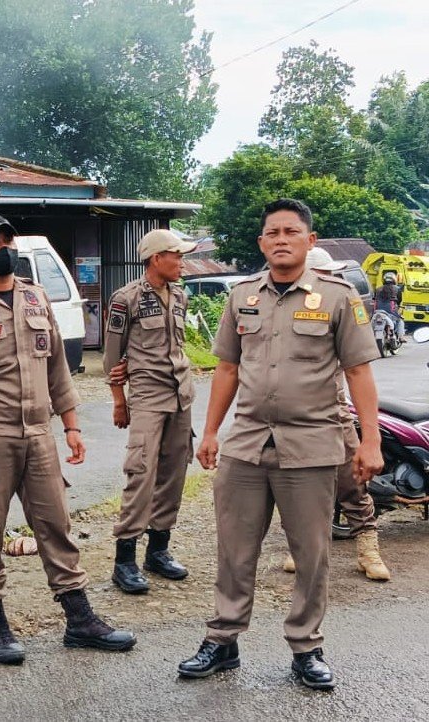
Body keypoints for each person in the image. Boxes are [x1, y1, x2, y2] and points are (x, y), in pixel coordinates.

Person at [179, 199, 382, 691]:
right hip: (247, 443)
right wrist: (210, 433)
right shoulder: (242, 295)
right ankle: (223, 640)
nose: (282, 239)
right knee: (235, 548)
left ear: (310, 242)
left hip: (312, 446)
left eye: (292, 231)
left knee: (311, 553)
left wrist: (370, 441)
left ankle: (307, 647)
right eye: (273, 232)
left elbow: (358, 371)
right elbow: (226, 368)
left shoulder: (338, 297)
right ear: (262, 243)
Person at [0, 212, 136, 665]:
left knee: (56, 526)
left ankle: (80, 621)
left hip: (38, 435)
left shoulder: (35, 297)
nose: (4, 248)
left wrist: (71, 425)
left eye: (8, 239)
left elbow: (57, 370)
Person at [280, 247, 390, 582]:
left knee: (352, 482)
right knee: (299, 489)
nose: (332, 279)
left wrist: (370, 435)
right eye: (326, 274)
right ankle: (300, 549)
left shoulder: (341, 307)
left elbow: (359, 368)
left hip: (333, 410)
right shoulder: (280, 311)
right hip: (291, 417)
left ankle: (368, 551)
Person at [101, 229, 197, 594]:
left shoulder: (180, 295)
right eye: (177, 255)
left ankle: (158, 550)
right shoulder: (127, 299)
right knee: (141, 473)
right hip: (148, 397)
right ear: (157, 259)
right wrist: (118, 400)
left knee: (173, 474)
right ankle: (124, 559)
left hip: (181, 395)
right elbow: (112, 356)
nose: (182, 261)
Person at [375, 271, 405, 339]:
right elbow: (399, 300)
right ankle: (401, 337)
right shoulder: (397, 289)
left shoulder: (377, 289)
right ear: (394, 279)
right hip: (391, 312)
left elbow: (374, 299)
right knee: (400, 320)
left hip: (377, 311)